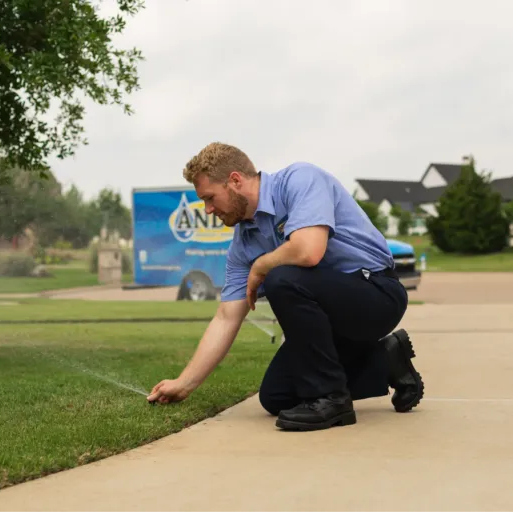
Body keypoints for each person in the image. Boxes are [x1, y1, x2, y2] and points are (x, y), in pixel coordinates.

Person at [146, 142, 424, 431]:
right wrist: (184, 384)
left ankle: (331, 401)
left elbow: (308, 251)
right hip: (332, 320)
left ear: (235, 181)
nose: (208, 209)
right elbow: (227, 317)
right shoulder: (243, 243)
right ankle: (387, 360)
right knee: (277, 396)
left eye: (210, 197)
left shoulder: (300, 180)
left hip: (377, 295)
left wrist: (261, 266)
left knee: (282, 277)